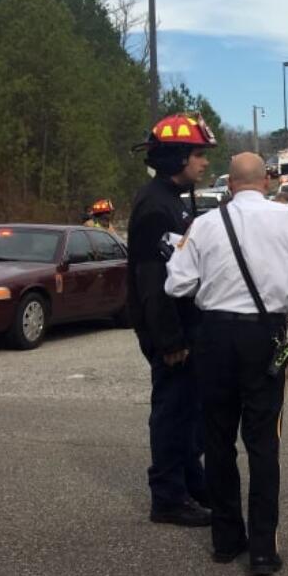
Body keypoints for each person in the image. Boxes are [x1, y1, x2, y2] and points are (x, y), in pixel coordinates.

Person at [165, 153, 288, 576]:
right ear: (267, 182)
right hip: (265, 336)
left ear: (231, 184)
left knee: (218, 441)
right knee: (262, 443)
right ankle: (262, 551)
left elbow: (176, 283)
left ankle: (224, 540)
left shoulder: (203, 225)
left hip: (214, 338)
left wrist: (209, 279)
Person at [127, 112, 216, 528]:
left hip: (185, 329)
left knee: (191, 412)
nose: (204, 163)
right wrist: (171, 341)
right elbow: (151, 282)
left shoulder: (171, 200)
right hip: (172, 335)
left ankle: (192, 482)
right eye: (199, 155)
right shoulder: (153, 205)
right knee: (173, 413)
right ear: (178, 157)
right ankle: (168, 496)